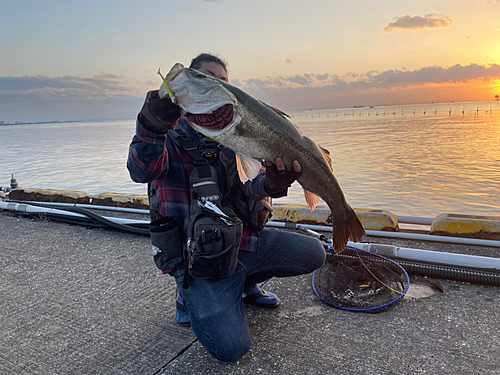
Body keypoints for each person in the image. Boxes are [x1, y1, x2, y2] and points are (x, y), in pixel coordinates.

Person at [127, 53, 326, 362]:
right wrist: (151, 126)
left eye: (224, 83)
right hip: (196, 258)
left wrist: (273, 183)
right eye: (207, 78)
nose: (217, 85)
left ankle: (244, 284)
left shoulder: (231, 134)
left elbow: (253, 184)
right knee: (231, 348)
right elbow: (142, 170)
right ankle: (188, 296)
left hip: (240, 243)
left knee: (314, 252)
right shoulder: (167, 134)